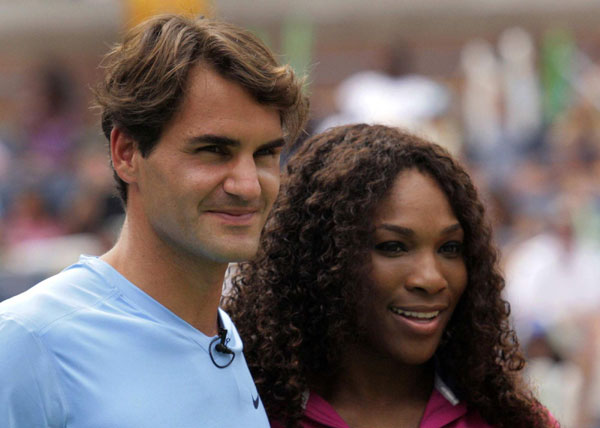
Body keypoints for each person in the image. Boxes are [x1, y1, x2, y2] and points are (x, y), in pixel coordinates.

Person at [0, 14, 308, 427]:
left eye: (266, 154)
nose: (248, 186)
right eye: (214, 150)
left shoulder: (232, 336)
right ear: (127, 153)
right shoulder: (29, 340)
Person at [225, 124, 556, 427]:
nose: (431, 278)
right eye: (394, 247)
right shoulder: (243, 414)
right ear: (321, 260)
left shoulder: (509, 421)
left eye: (450, 248)